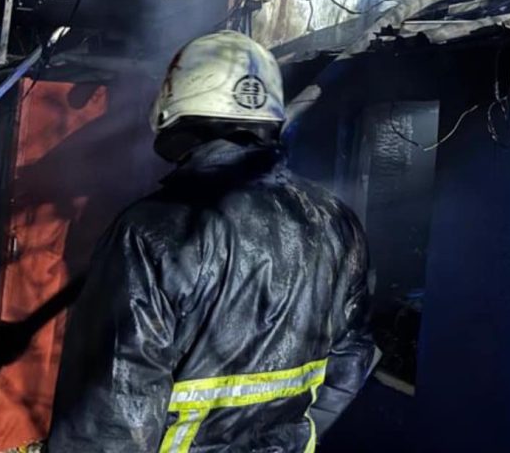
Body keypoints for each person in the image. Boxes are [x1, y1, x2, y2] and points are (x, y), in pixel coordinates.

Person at [49, 30, 375, 452]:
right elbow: (351, 365)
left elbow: (110, 413)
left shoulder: (153, 230)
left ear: (175, 113)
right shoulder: (337, 223)